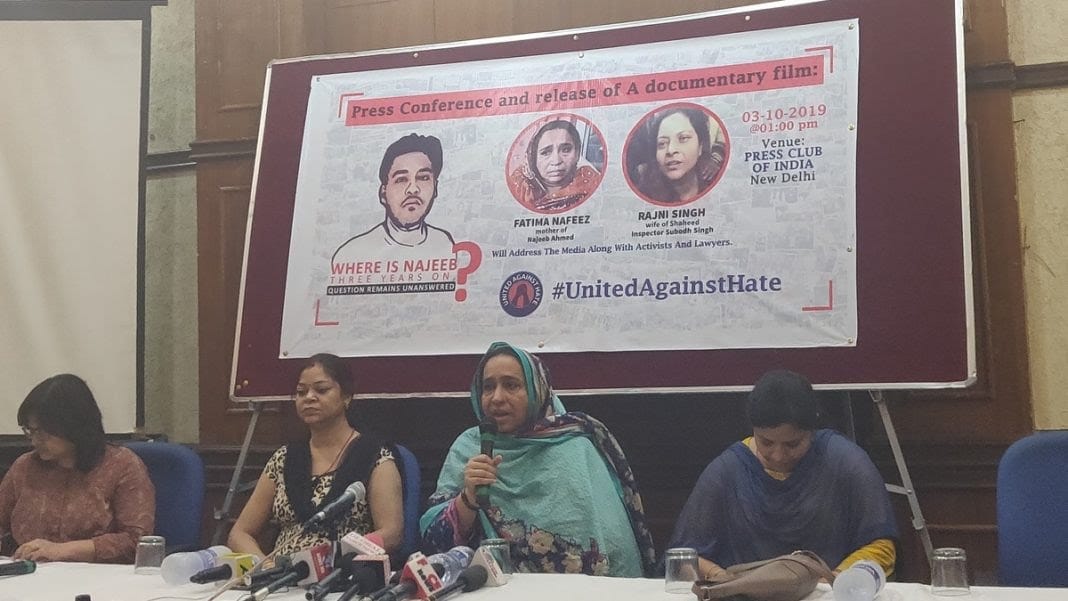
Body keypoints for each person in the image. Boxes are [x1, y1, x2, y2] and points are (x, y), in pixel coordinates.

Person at [420, 342, 656, 577]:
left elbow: (615, 547)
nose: (497, 398)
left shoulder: (575, 447)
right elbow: (435, 548)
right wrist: (468, 499)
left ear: (537, 391)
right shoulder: (468, 447)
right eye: (488, 387)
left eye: (511, 385)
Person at [668, 370, 898, 580]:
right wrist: (725, 579)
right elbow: (683, 558)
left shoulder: (845, 461)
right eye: (766, 442)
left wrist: (831, 581)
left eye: (793, 444)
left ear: (811, 431)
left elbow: (881, 545)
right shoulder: (727, 470)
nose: (778, 456)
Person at [228, 353, 404, 557]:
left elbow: (391, 534)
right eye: (301, 392)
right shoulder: (285, 458)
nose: (309, 397)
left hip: (342, 576)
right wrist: (264, 566)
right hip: (279, 579)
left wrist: (332, 558)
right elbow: (240, 533)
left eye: (321, 390)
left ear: (346, 396)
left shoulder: (375, 457)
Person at [0, 374, 155, 563]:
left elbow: (136, 541)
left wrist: (61, 550)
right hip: (30, 577)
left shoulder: (122, 466)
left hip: (101, 579)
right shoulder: (24, 467)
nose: (34, 439)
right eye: (29, 430)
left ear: (73, 426)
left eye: (42, 431)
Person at [332, 133, 455, 264]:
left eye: (423, 178)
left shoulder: (445, 244)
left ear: (435, 187)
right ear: (383, 193)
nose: (413, 189)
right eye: (401, 179)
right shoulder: (351, 255)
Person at [634, 106, 725, 204]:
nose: (670, 150)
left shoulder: (721, 189)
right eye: (662, 143)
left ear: (700, 147)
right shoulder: (644, 194)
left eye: (683, 138)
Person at [508, 120, 602, 212]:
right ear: (533, 158)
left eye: (566, 150)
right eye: (546, 152)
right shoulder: (519, 188)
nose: (556, 161)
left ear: (577, 154)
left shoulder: (590, 183)